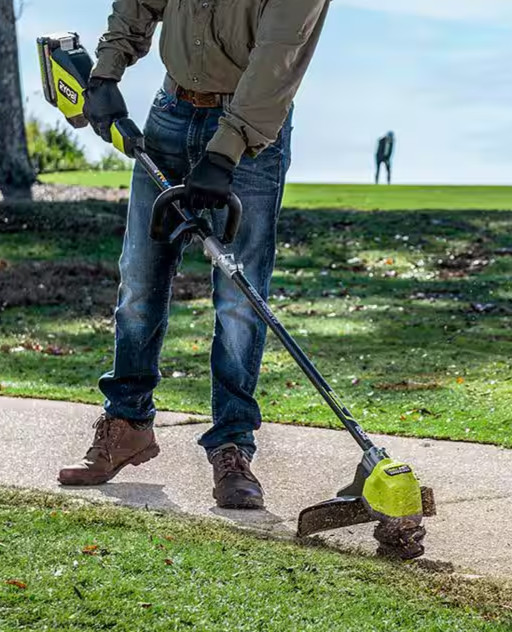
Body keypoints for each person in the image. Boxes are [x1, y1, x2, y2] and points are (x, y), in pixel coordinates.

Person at [57, 0, 331, 510]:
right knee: (138, 282)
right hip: (169, 114)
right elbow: (140, 3)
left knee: (238, 301)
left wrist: (227, 149)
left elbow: (277, 59)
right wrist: (103, 74)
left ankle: (232, 446)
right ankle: (126, 425)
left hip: (251, 134)